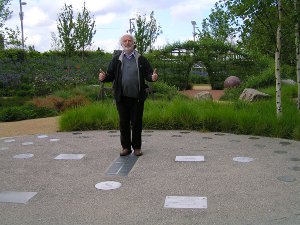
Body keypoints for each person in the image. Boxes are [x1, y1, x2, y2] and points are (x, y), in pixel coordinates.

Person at [99, 34, 158, 156]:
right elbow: (110, 75)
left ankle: (137, 147)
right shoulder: (116, 59)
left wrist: (152, 77)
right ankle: (126, 147)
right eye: (125, 41)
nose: (127, 43)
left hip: (137, 98)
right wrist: (103, 77)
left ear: (133, 43)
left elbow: (148, 74)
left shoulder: (141, 59)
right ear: (122, 44)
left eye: (129, 41)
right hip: (122, 97)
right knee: (123, 122)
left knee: (136, 122)